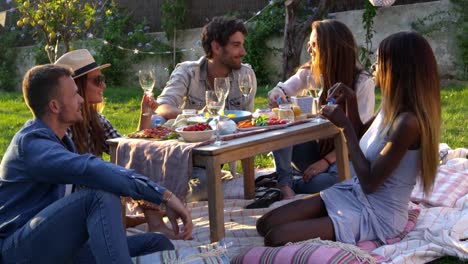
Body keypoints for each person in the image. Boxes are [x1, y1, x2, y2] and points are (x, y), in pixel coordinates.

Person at [256, 31, 440, 247]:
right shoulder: (391, 109)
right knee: (265, 224)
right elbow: (362, 136)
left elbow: (371, 182)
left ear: (396, 69)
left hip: (379, 214)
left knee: (275, 237)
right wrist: (351, 102)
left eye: (379, 61)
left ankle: (329, 224)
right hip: (354, 193)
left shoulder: (408, 123)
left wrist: (344, 126)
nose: (373, 66)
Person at [0, 64, 193, 263]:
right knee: (98, 197)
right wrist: (163, 195)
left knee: (157, 244)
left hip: (56, 245)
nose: (81, 99)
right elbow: (90, 169)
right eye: (75, 94)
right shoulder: (32, 145)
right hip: (17, 251)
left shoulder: (61, 140)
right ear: (55, 106)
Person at [55, 49, 178, 238]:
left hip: (96, 184)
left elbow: (125, 149)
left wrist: (145, 113)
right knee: (119, 175)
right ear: (77, 86)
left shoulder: (97, 120)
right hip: (75, 195)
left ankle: (146, 219)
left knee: (138, 159)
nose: (104, 85)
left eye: (103, 79)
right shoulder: (63, 125)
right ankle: (147, 220)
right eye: (97, 80)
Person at [266, 19, 375, 199]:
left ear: (332, 48)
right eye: (309, 44)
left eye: (314, 44)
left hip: (344, 154)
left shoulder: (362, 82)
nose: (309, 50)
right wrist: (277, 95)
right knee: (282, 124)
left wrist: (324, 162)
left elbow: (359, 136)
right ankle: (285, 183)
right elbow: (282, 89)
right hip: (313, 150)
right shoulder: (310, 72)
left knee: (337, 180)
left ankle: (290, 183)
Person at [154, 16, 257, 122]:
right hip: (198, 137)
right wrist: (199, 116)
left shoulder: (246, 75)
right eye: (236, 45)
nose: (243, 52)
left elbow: (248, 120)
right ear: (216, 47)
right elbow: (161, 107)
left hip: (236, 137)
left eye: (242, 45)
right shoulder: (188, 72)